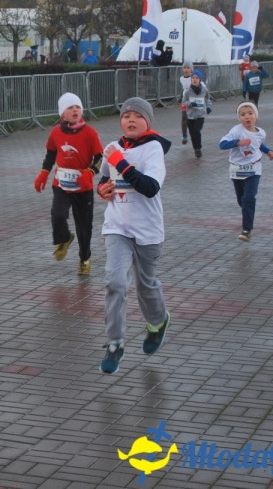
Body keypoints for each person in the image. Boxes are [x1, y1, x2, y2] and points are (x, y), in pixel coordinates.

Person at [95, 97, 171, 374]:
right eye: (126, 115)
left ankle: (158, 321)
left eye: (137, 116)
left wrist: (122, 164)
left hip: (148, 230)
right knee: (115, 282)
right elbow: (105, 179)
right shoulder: (113, 148)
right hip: (117, 227)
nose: (130, 120)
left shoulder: (153, 149)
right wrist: (102, 190)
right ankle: (115, 343)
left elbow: (150, 187)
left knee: (145, 285)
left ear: (147, 122)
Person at [33, 93, 104, 276]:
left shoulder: (90, 133)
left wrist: (89, 173)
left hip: (83, 187)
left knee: (84, 226)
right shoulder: (56, 132)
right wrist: (44, 173)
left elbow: (100, 158)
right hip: (62, 184)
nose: (75, 110)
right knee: (57, 215)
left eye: (78, 107)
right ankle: (64, 238)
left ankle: (85, 257)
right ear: (62, 114)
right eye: (70, 107)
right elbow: (50, 154)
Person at [219, 102, 273, 242]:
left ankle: (247, 230)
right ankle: (247, 212)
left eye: (250, 113)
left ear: (256, 116)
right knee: (242, 200)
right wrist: (238, 143)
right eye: (243, 115)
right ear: (239, 118)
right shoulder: (236, 131)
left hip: (254, 169)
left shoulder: (261, 132)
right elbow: (222, 144)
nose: (247, 117)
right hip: (237, 169)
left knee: (249, 198)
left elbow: (258, 144)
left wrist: (268, 151)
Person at [181, 70, 211, 157]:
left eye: (197, 78)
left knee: (196, 130)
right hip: (190, 116)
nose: (194, 80)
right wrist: (189, 103)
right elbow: (184, 102)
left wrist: (209, 107)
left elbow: (207, 99)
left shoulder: (204, 90)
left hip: (200, 115)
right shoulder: (187, 92)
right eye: (193, 78)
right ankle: (196, 148)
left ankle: (198, 148)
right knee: (192, 133)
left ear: (200, 79)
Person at [178, 61, 194, 145]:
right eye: (184, 68)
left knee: (192, 119)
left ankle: (194, 134)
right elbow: (184, 89)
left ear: (191, 69)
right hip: (184, 101)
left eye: (188, 68)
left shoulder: (194, 78)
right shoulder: (181, 79)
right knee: (184, 117)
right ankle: (184, 136)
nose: (186, 70)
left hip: (193, 101)